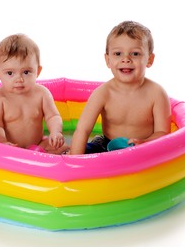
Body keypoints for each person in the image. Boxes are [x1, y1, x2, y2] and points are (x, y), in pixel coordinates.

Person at [70, 21, 171, 155]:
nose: (126, 59)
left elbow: (163, 133)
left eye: (135, 54)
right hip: (106, 146)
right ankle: (63, 151)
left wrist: (145, 143)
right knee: (83, 151)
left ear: (149, 59)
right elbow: (82, 130)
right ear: (108, 60)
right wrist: (75, 161)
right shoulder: (103, 93)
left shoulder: (156, 94)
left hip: (142, 148)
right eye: (118, 54)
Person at [0, 34, 68, 154]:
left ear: (38, 71)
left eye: (26, 72)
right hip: (12, 149)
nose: (19, 79)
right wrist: (3, 142)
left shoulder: (42, 94)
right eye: (10, 73)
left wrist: (56, 132)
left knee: (64, 147)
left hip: (39, 145)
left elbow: (53, 116)